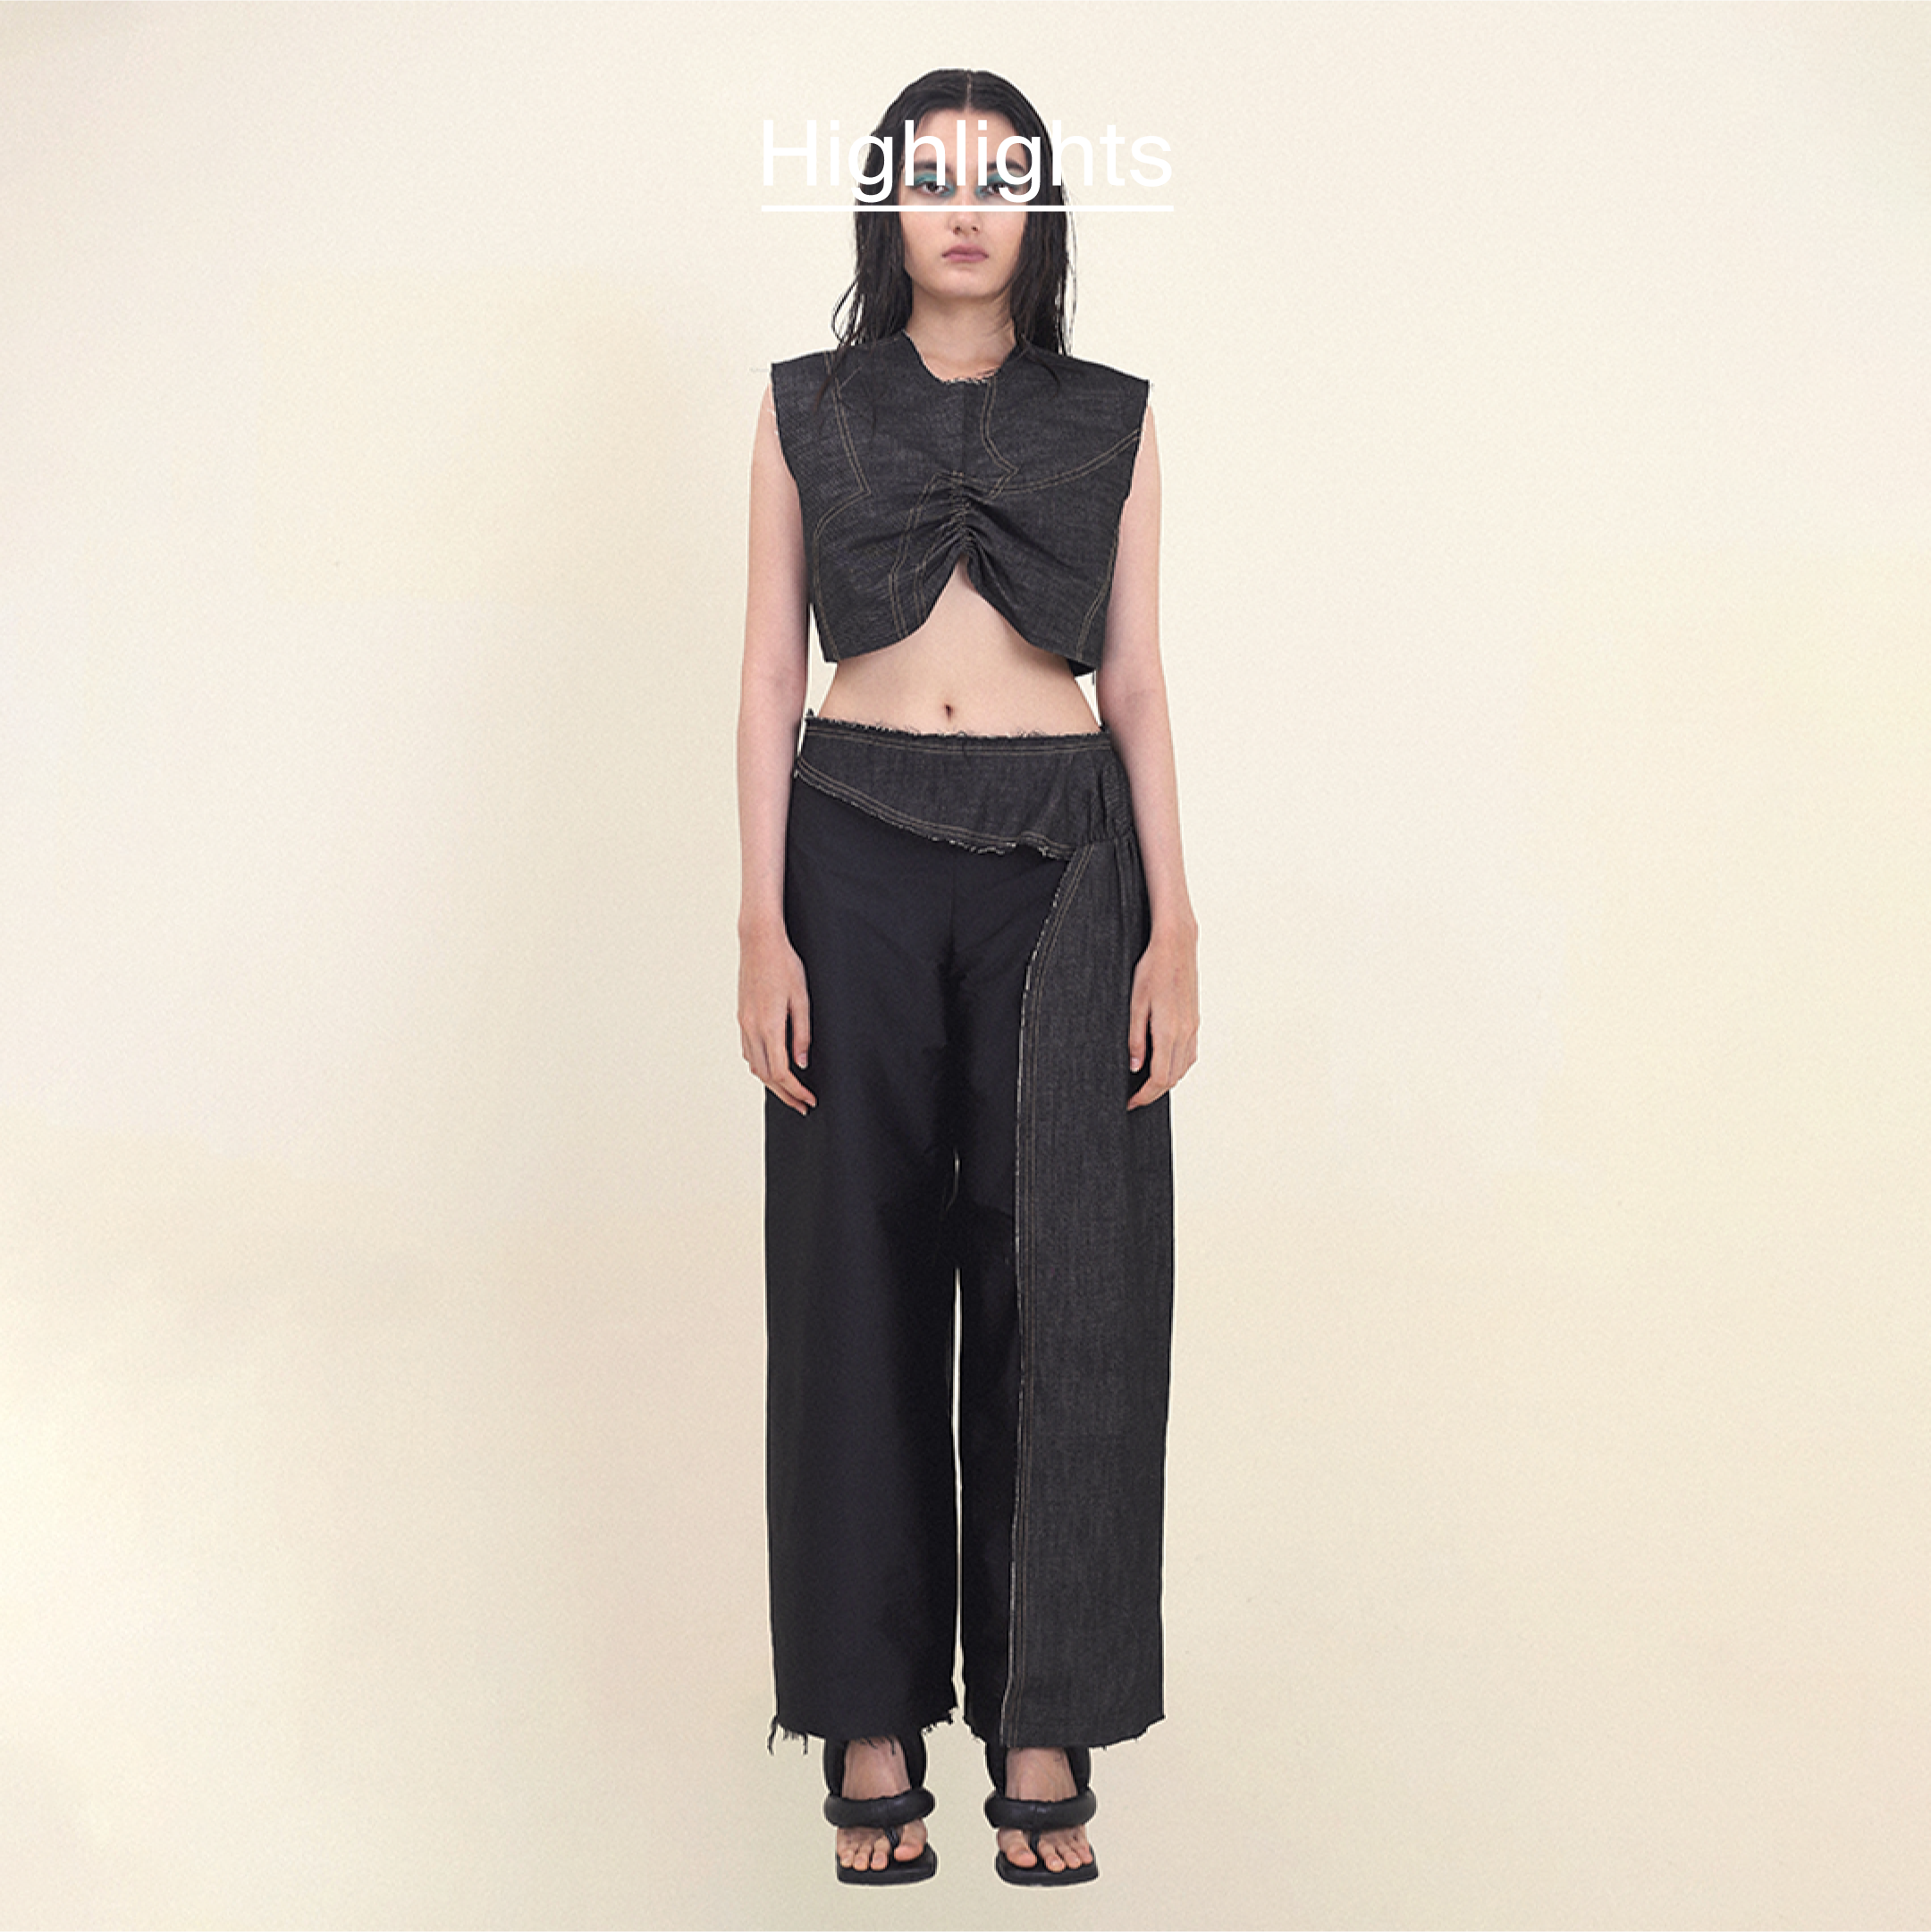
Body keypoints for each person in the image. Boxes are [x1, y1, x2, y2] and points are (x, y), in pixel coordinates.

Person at [737, 67, 1198, 1887]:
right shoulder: (805, 405)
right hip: (847, 841)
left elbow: (1135, 679)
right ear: (885, 204)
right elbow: (766, 677)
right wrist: (758, 922)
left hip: (1065, 857)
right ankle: (867, 1717)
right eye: (930, 177)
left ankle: (1041, 1713)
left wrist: (1179, 923)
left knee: (1064, 1281)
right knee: (851, 1280)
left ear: (1039, 211)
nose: (962, 206)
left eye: (997, 179)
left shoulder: (1112, 419)